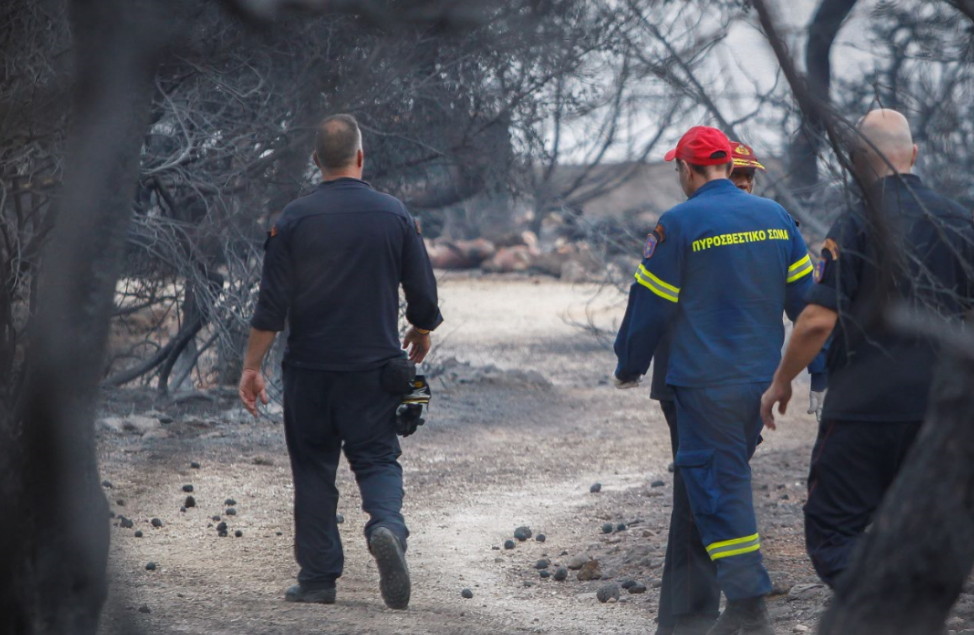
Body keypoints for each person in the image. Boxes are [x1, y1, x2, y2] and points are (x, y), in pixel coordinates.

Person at [614, 126, 821, 635]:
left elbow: (650, 307)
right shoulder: (775, 218)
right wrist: (822, 369)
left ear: (686, 169)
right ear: (729, 165)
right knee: (704, 488)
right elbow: (809, 305)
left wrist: (628, 364)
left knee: (717, 490)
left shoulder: (679, 223)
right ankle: (685, 618)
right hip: (759, 387)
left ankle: (749, 606)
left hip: (704, 387)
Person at [760, 109, 974, 589]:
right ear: (914, 155)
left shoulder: (857, 222)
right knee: (926, 526)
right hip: (940, 407)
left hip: (864, 408)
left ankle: (879, 606)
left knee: (834, 532)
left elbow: (816, 319)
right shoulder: (959, 221)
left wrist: (780, 383)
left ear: (857, 161)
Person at [238, 113, 443, 609]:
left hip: (309, 372)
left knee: (312, 469)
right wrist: (419, 328)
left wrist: (251, 367)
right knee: (376, 460)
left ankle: (317, 579)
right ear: (360, 156)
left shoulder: (291, 220)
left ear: (315, 162)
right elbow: (424, 297)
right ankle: (387, 528)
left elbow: (271, 308)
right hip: (374, 372)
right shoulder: (394, 215)